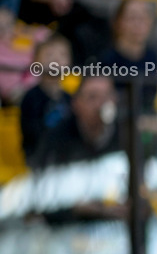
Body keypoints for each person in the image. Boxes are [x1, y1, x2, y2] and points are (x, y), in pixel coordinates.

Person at [34, 74, 123, 168]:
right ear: (76, 104)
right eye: (92, 97)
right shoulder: (57, 139)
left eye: (107, 95)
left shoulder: (125, 132)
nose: (100, 104)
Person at [18, 32, 71, 161]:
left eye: (62, 55)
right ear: (36, 61)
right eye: (49, 55)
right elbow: (31, 136)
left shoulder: (70, 98)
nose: (56, 60)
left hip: (67, 157)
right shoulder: (31, 97)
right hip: (39, 159)